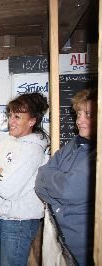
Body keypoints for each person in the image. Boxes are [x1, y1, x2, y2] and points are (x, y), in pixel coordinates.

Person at [0, 92, 49, 266]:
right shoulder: (9, 141)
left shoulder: (32, 150)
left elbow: (6, 188)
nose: (11, 121)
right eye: (10, 115)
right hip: (2, 218)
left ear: (32, 121)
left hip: (18, 223)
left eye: (17, 116)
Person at [35, 89, 97, 266]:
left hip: (85, 245)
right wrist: (60, 185)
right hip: (61, 238)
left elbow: (70, 190)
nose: (80, 120)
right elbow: (40, 180)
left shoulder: (98, 153)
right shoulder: (73, 144)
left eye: (88, 114)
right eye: (78, 114)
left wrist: (54, 183)